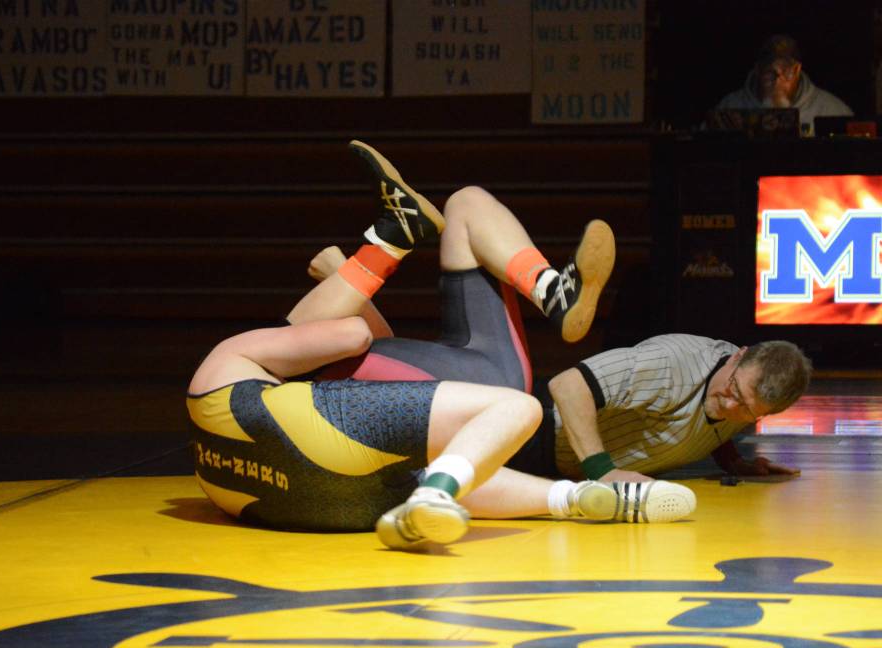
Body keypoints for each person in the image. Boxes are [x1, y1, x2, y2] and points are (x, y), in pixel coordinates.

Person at [187, 141, 696, 552]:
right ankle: (394, 237)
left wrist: (342, 286)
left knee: (465, 207)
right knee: (515, 409)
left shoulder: (232, 414)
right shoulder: (230, 362)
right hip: (338, 426)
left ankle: (575, 496)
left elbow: (377, 352)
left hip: (302, 504)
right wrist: (344, 277)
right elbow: (355, 336)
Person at [297, 147, 813, 486]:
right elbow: (569, 385)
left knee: (466, 204)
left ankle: (547, 291)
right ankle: (365, 261)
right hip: (508, 410)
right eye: (734, 390)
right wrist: (601, 473)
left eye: (746, 409)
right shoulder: (675, 365)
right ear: (737, 355)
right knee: (318, 348)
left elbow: (714, 415)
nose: (731, 404)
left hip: (489, 380)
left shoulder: (740, 392)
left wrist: (732, 457)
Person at [714, 34, 853, 135]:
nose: (778, 81)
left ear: (797, 70)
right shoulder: (729, 109)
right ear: (758, 70)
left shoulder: (831, 110)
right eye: (770, 72)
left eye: (786, 72)